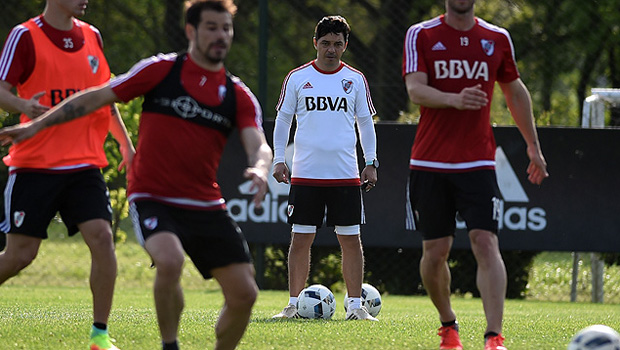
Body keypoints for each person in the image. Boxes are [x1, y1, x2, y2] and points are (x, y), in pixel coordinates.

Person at [0, 1, 272, 349]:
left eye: (226, 29)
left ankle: (111, 335)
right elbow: (95, 97)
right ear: (191, 31)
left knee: (245, 294)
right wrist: (34, 124)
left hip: (205, 203)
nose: (221, 36)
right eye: (212, 28)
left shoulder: (237, 95)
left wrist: (260, 168)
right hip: (153, 195)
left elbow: (259, 145)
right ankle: (168, 344)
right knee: (169, 260)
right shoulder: (161, 71)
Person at [402, 1, 549, 349]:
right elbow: (415, 90)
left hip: (478, 163)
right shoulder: (420, 34)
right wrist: (454, 98)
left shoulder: (496, 37)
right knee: (435, 253)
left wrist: (533, 145)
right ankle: (448, 323)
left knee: (486, 242)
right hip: (430, 163)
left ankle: (493, 336)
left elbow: (514, 89)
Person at [0, 0, 135, 349]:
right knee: (20, 256)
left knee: (102, 239)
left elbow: (103, 97)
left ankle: (100, 336)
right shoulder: (25, 36)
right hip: (35, 165)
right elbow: (1, 89)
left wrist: (125, 145)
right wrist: (24, 106)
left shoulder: (92, 36)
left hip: (84, 164)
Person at [271, 15, 379, 321]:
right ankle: (293, 305)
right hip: (305, 174)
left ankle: (356, 308)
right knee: (301, 238)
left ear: (345, 46)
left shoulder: (356, 79)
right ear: (315, 43)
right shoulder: (297, 77)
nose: (331, 49)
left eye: (338, 44)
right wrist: (279, 158)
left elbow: (365, 123)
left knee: (350, 239)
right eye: (326, 43)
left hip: (345, 174)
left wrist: (370, 162)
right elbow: (283, 120)